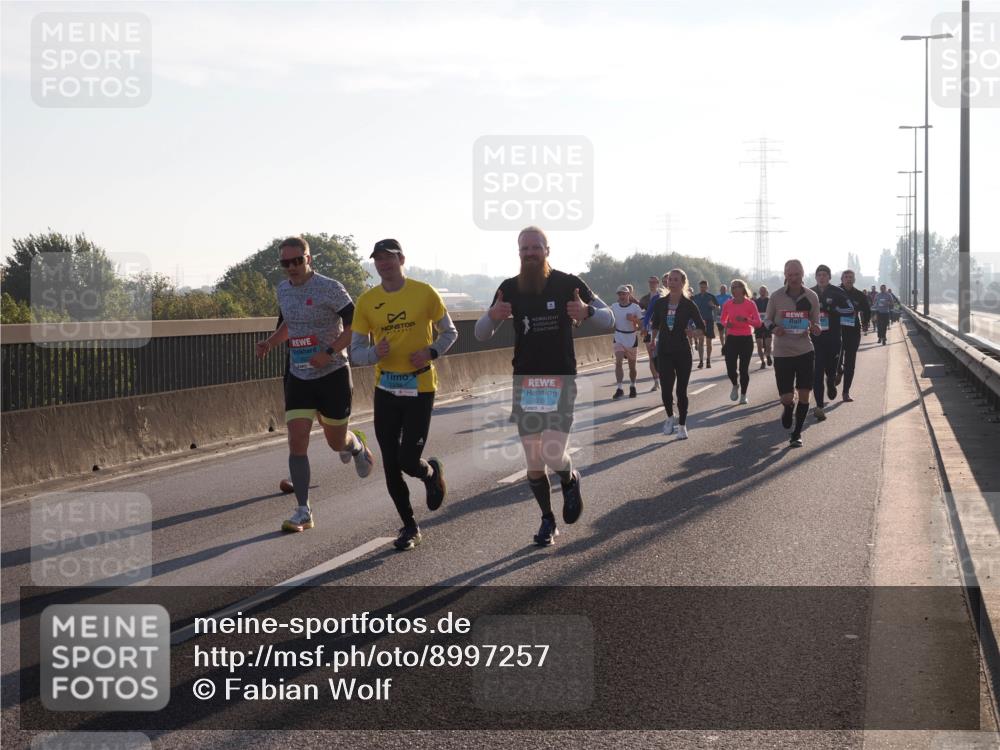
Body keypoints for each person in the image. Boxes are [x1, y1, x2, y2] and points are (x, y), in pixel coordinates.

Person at [475, 226, 613, 547]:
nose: (530, 253)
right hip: (526, 381)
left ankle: (569, 476)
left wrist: (587, 311)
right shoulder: (509, 288)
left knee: (552, 453)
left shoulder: (568, 283)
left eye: (536, 247)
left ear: (547, 250)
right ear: (518, 253)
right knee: (534, 462)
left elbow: (609, 318)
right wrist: (492, 315)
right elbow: (481, 333)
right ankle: (547, 520)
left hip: (560, 378)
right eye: (524, 249)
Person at [256, 236, 375, 533]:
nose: (292, 267)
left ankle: (355, 445)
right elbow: (290, 324)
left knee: (336, 442)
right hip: (299, 376)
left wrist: (329, 352)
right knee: (297, 440)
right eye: (286, 263)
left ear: (309, 259)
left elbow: (357, 326)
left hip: (332, 374)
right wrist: (270, 342)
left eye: (297, 260)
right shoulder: (283, 289)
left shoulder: (330, 288)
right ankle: (303, 511)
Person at [350, 239, 457, 551]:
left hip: (420, 386)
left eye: (389, 258)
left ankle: (429, 473)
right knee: (390, 462)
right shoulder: (367, 301)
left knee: (408, 460)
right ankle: (409, 526)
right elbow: (356, 352)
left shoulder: (425, 293)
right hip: (386, 388)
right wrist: (374, 353)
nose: (384, 264)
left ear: (402, 260)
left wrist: (431, 351)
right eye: (379, 259)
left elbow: (450, 332)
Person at [764, 259, 821, 447]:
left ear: (803, 274)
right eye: (790, 274)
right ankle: (788, 407)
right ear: (785, 275)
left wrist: (815, 328)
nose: (794, 278)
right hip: (782, 352)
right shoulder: (776, 296)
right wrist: (774, 328)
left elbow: (816, 322)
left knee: (804, 393)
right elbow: (767, 320)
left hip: (805, 350)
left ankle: (796, 434)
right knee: (786, 397)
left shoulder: (811, 296)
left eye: (797, 274)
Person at [649, 268, 706, 440]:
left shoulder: (689, 305)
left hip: (682, 352)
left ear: (683, 283)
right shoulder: (660, 303)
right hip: (665, 351)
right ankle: (669, 417)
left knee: (681, 391)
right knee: (666, 389)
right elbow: (655, 324)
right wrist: (653, 340)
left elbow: (702, 328)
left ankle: (682, 425)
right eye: (670, 279)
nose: (672, 282)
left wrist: (693, 333)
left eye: (676, 280)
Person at [809, 264, 854, 422]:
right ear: (816, 277)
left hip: (833, 338)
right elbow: (800, 312)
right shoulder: (809, 293)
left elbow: (850, 309)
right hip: (815, 339)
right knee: (817, 372)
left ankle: (831, 382)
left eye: (824, 275)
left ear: (829, 277)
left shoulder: (837, 292)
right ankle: (819, 407)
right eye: (819, 275)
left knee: (830, 371)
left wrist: (834, 310)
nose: (821, 277)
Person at [719, 279, 762, 405]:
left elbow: (758, 323)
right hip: (731, 339)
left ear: (743, 289)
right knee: (730, 369)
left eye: (736, 287)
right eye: (732, 287)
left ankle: (743, 395)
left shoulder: (750, 304)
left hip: (746, 339)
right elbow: (722, 320)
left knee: (743, 370)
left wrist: (746, 320)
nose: (733, 289)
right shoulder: (728, 304)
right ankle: (735, 384)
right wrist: (727, 324)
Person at [837, 269, 870, 402]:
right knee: (836, 359)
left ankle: (846, 392)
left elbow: (867, 310)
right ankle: (838, 371)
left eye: (851, 277)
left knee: (850, 362)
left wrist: (865, 322)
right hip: (837, 331)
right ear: (842, 279)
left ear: (854, 280)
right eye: (846, 277)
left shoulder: (859, 295)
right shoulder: (835, 292)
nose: (848, 279)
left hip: (853, 331)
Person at [611, 285, 643, 399]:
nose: (622, 296)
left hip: (631, 338)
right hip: (618, 336)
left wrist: (633, 319)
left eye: (624, 294)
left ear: (628, 294)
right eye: (620, 294)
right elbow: (608, 319)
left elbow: (642, 323)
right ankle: (619, 388)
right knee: (618, 362)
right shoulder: (614, 307)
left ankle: (633, 386)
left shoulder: (635, 307)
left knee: (632, 366)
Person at [638, 276, 661, 390]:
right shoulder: (644, 299)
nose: (652, 284)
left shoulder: (662, 296)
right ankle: (656, 382)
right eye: (650, 282)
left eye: (654, 282)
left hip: (660, 329)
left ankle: (664, 376)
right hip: (648, 330)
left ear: (658, 283)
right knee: (651, 356)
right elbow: (641, 314)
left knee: (661, 356)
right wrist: (643, 326)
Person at [691, 279, 718, 369]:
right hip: (699, 321)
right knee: (701, 341)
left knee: (709, 342)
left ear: (707, 287)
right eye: (701, 287)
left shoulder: (711, 297)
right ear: (699, 287)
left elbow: (718, 308)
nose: (703, 289)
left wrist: (713, 306)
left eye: (704, 287)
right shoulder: (695, 297)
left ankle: (708, 360)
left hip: (709, 320)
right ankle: (701, 361)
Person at [754, 285, 773, 369]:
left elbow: (774, 312)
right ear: (759, 292)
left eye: (764, 290)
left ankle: (768, 356)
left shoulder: (770, 301)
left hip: (767, 325)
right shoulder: (755, 302)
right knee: (759, 345)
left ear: (766, 292)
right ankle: (762, 361)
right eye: (761, 290)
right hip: (758, 326)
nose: (762, 292)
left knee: (768, 345)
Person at [715, 283, 733, 348]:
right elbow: (714, 306)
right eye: (722, 289)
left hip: (727, 316)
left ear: (726, 290)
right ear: (720, 290)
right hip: (719, 316)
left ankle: (726, 345)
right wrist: (715, 308)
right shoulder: (716, 297)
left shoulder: (729, 297)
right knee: (721, 332)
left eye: (724, 289)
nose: (723, 290)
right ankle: (723, 345)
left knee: (727, 332)